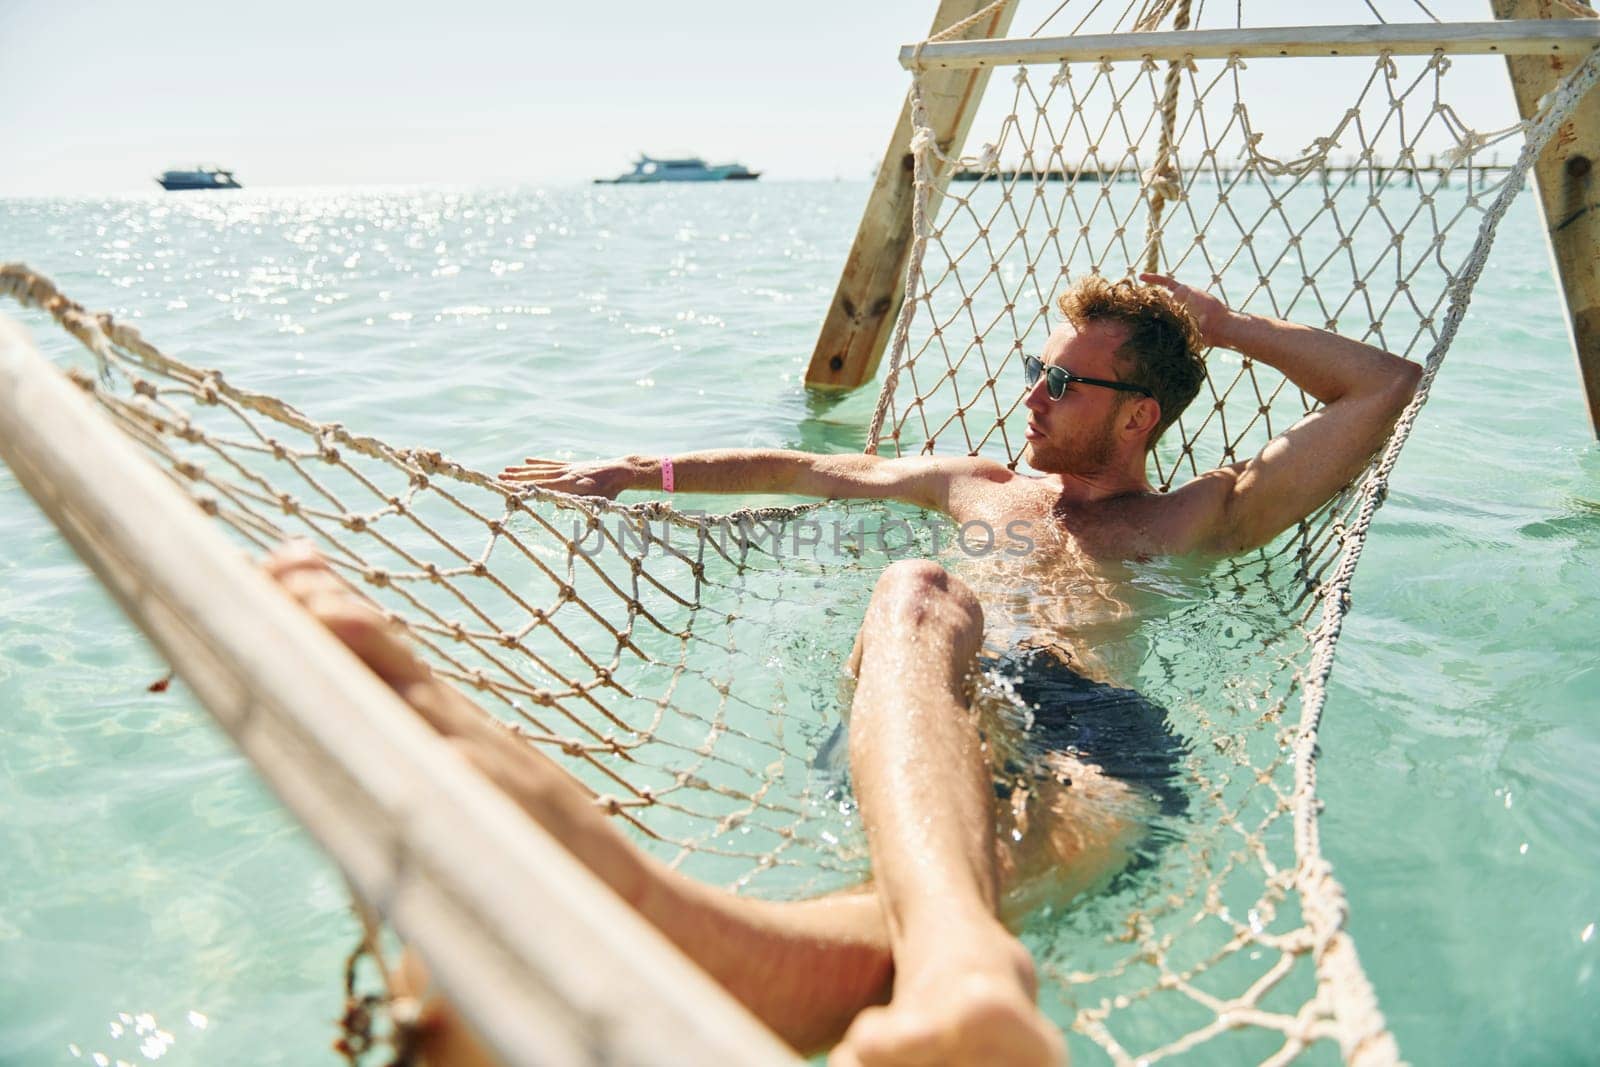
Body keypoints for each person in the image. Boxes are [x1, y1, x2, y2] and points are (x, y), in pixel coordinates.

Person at [276, 275, 1420, 1066]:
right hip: (925, 717)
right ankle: (917, 982)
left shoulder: (1198, 514)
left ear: (1141, 419)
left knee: (941, 887)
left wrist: (1217, 323)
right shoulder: (980, 484)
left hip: (1086, 738)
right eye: (1037, 368)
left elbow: (1380, 385)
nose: (1032, 391)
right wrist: (637, 468)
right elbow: (819, 466)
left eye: (1063, 381)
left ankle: (685, 933)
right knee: (913, 588)